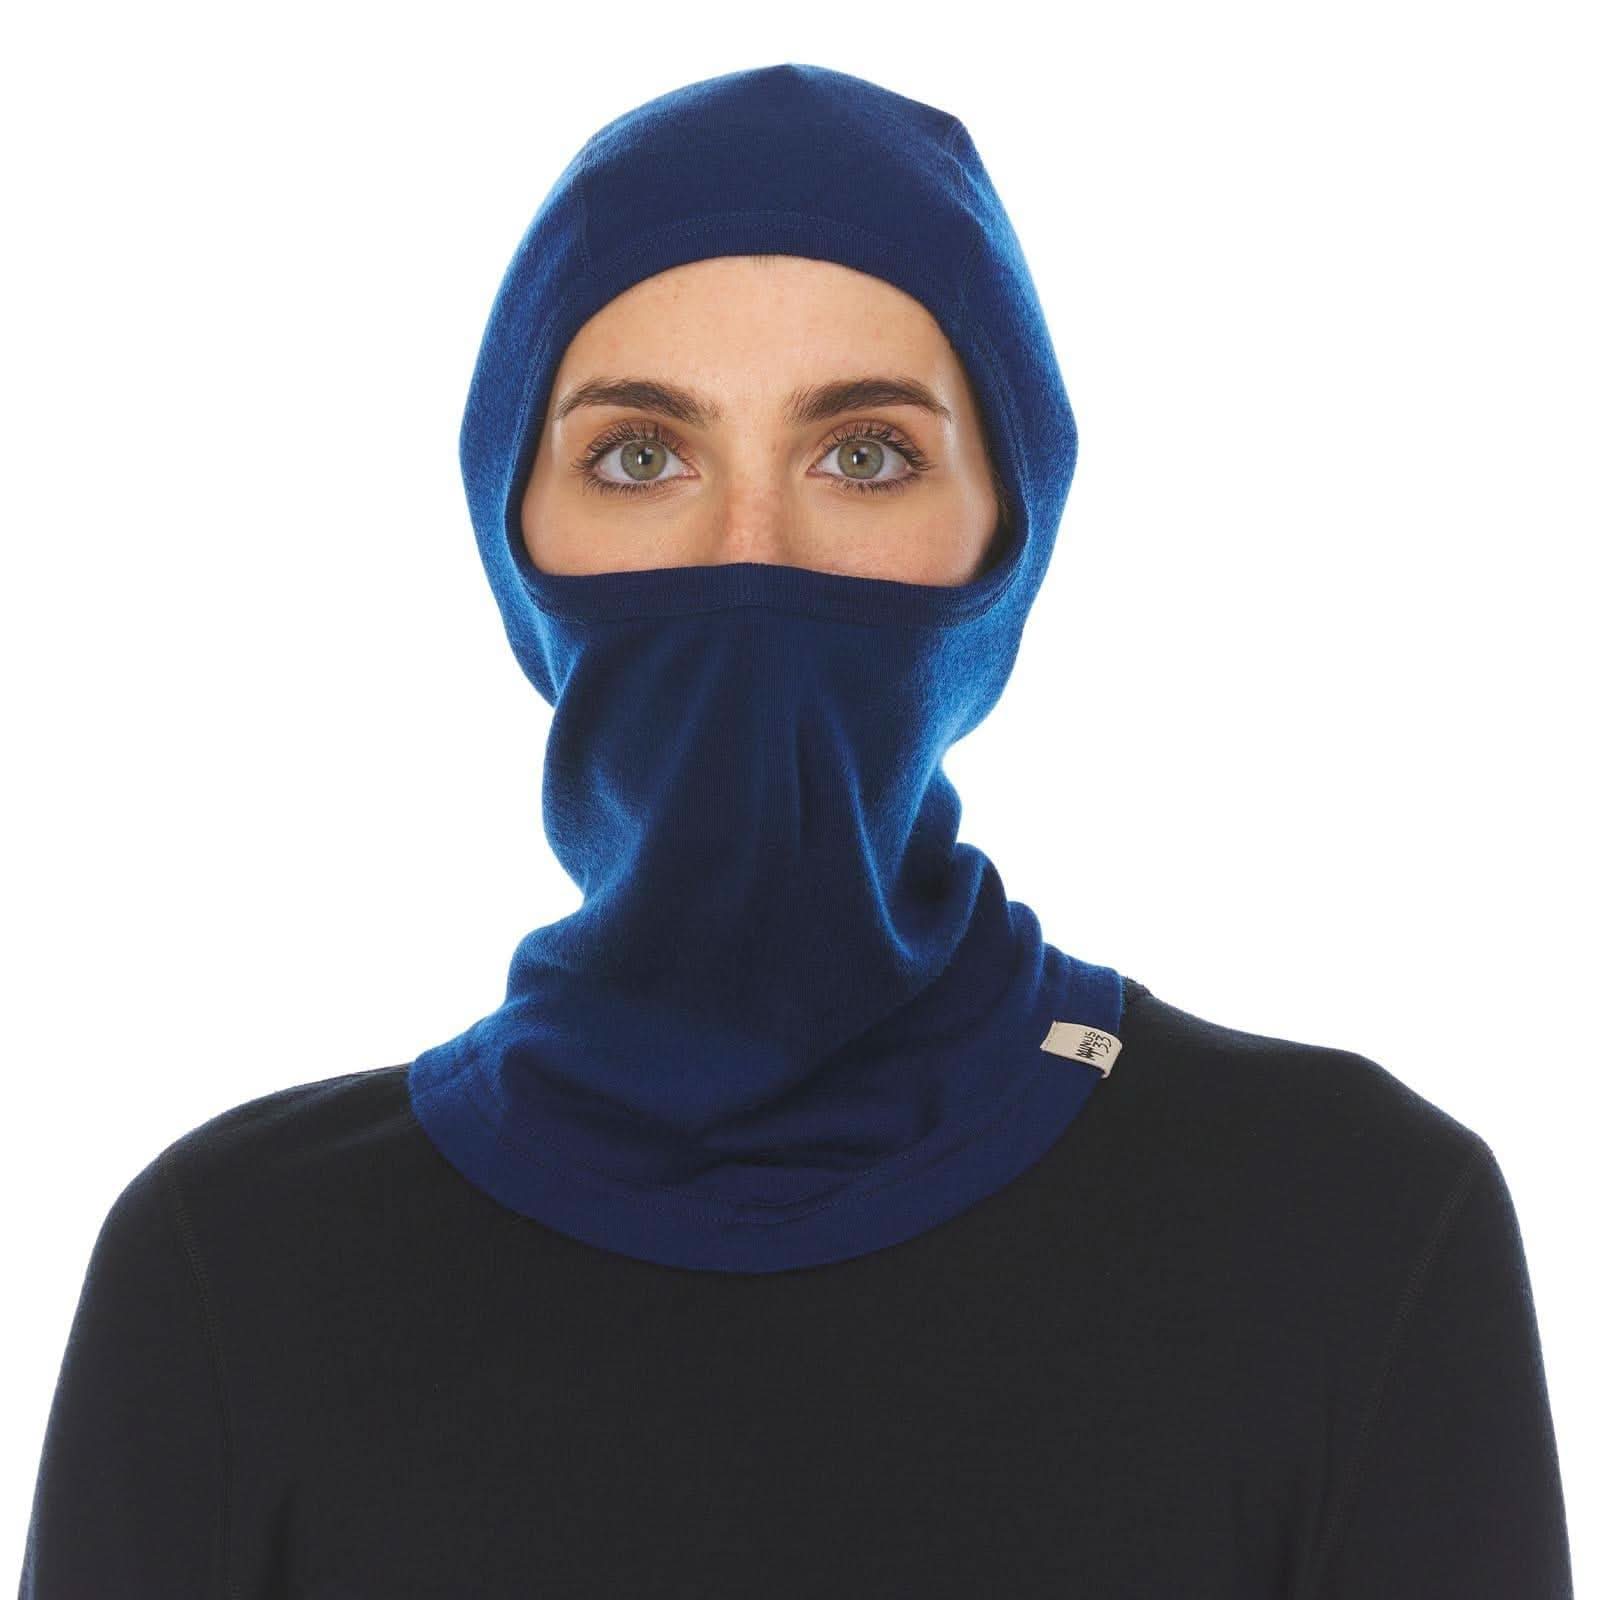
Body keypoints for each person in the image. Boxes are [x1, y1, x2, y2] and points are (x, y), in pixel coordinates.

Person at [18, 62, 1574, 1597]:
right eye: (641, 456)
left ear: (1006, 532)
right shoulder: (233, 1277)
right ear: (516, 530)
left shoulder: (1348, 1231)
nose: (749, 554)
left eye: (865, 454)